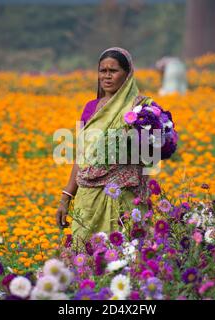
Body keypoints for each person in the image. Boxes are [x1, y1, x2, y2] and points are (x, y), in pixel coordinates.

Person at [56, 47, 154, 249]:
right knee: (84, 254)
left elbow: (151, 155)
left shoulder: (142, 108)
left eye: (113, 71)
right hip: (88, 199)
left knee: (127, 253)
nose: (107, 76)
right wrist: (66, 197)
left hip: (125, 197)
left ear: (127, 74)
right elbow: (82, 155)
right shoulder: (90, 107)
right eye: (103, 71)